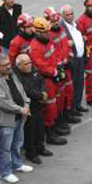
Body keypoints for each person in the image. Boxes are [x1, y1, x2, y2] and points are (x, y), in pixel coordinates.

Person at [0, 54, 30, 184]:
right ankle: (6, 172)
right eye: (5, 66)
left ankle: (17, 164)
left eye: (9, 64)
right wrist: (22, 109)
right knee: (5, 148)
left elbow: (21, 90)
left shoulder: (11, 74)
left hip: (19, 116)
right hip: (6, 120)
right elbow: (2, 102)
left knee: (17, 143)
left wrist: (26, 103)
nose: (9, 67)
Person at [27, 17, 67, 146]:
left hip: (54, 76)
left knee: (57, 102)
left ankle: (55, 126)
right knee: (49, 106)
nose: (48, 34)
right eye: (45, 32)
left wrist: (59, 66)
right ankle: (49, 134)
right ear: (37, 32)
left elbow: (55, 53)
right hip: (46, 80)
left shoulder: (47, 40)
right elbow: (40, 65)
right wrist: (54, 72)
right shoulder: (35, 47)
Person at [16, 53, 52, 161]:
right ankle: (31, 153)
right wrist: (41, 95)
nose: (29, 65)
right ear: (19, 65)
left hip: (38, 104)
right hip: (29, 106)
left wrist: (44, 91)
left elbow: (41, 81)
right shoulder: (16, 75)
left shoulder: (33, 69)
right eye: (26, 64)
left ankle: (40, 147)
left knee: (40, 127)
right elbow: (26, 91)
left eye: (30, 62)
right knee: (30, 131)